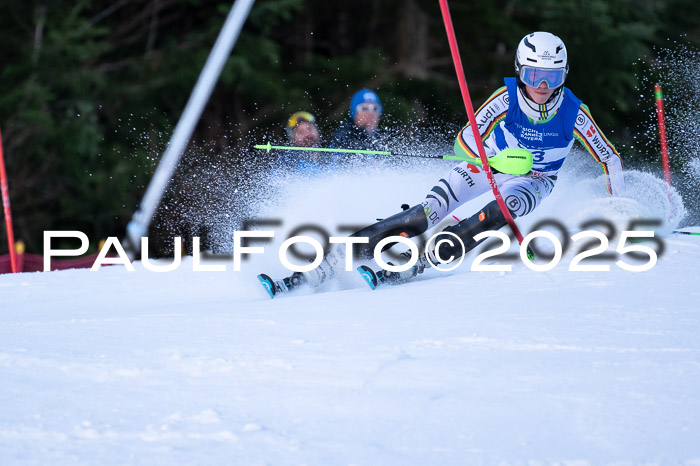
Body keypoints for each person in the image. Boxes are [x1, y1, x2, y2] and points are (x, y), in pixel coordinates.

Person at [259, 32, 625, 296]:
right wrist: (493, 160)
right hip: (487, 165)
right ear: (520, 71)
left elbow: (609, 158)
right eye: (533, 76)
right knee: (424, 213)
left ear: (563, 76)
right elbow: (465, 138)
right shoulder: (506, 97)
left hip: (534, 181)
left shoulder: (575, 113)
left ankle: (425, 259)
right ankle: (334, 258)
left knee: (502, 211)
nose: (542, 86)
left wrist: (617, 209)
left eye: (552, 77)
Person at [329, 89, 386, 164]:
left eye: (375, 108)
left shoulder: (382, 138)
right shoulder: (343, 137)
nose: (370, 113)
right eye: (364, 108)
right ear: (355, 113)